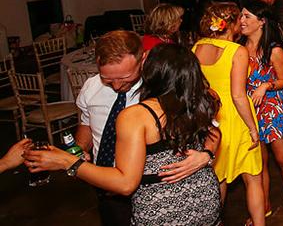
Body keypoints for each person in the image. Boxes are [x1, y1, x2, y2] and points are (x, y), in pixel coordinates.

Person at [26, 43, 223, 226]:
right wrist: (207, 154)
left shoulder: (136, 116)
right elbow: (215, 132)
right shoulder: (205, 99)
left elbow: (126, 183)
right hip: (205, 199)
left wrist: (66, 161)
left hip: (163, 210)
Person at [72, 30, 211, 225]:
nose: (117, 85)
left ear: (143, 59)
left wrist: (206, 154)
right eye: (108, 79)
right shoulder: (90, 87)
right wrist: (79, 150)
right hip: (103, 181)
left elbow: (210, 125)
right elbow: (86, 125)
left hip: (151, 189)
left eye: (125, 77)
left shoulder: (161, 89)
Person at [192, 3, 265, 226]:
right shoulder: (237, 51)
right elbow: (238, 95)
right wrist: (253, 129)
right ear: (231, 24)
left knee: (218, 177)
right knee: (253, 179)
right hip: (236, 119)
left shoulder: (196, 47)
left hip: (210, 120)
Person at [239, 1, 283, 224]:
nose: (242, 21)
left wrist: (266, 85)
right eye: (241, 16)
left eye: (247, 17)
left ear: (261, 22)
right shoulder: (238, 48)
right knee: (258, 162)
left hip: (272, 109)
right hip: (249, 110)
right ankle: (264, 204)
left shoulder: (273, 49)